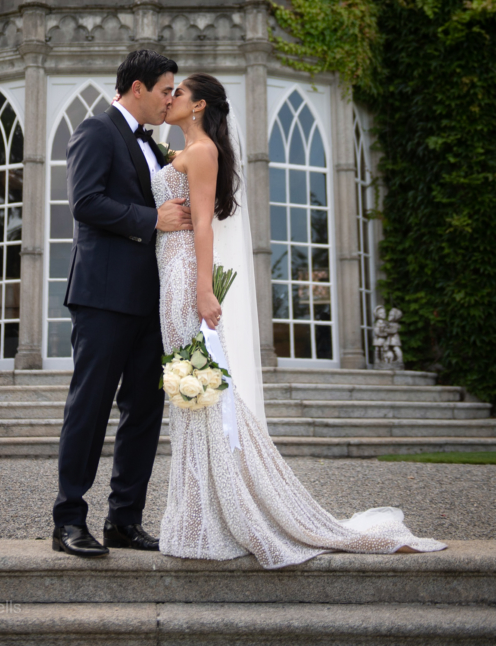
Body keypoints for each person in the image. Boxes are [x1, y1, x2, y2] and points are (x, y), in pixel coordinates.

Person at [153, 72, 446, 569]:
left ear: (199, 106)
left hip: (184, 277)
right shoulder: (179, 151)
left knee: (200, 389)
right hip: (168, 273)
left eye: (178, 93)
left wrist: (203, 290)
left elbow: (202, 223)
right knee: (192, 395)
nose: (170, 97)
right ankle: (200, 515)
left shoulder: (202, 153)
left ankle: (225, 515)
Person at [52, 49, 192, 558]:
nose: (170, 99)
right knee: (88, 408)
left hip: (152, 301)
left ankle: (124, 521)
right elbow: (85, 203)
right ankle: (68, 520)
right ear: (137, 88)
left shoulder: (156, 146)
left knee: (144, 411)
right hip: (104, 298)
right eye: (165, 91)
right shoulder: (96, 130)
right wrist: (153, 218)